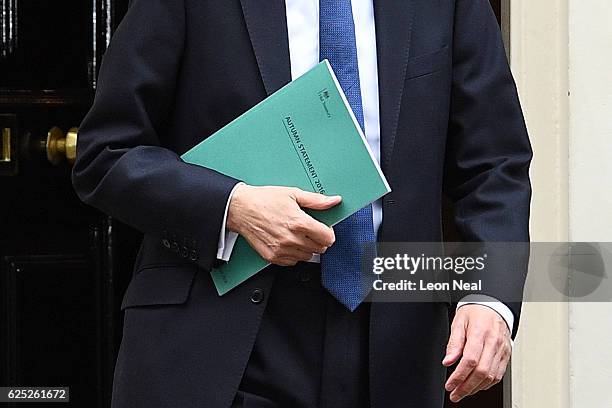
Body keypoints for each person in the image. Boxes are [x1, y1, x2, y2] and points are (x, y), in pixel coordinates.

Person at [72, 0, 532, 407]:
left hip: (394, 341)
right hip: (221, 334)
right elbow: (107, 154)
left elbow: (495, 163)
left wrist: (489, 296)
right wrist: (232, 206)